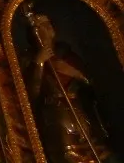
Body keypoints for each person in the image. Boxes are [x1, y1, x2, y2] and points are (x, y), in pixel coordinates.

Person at [25, 9, 122, 163]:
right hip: (56, 116)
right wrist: (39, 63)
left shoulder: (67, 55)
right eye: (39, 26)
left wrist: (75, 73)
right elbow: (30, 95)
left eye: (47, 24)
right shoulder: (29, 60)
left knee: (99, 153)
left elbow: (91, 86)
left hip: (80, 112)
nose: (46, 29)